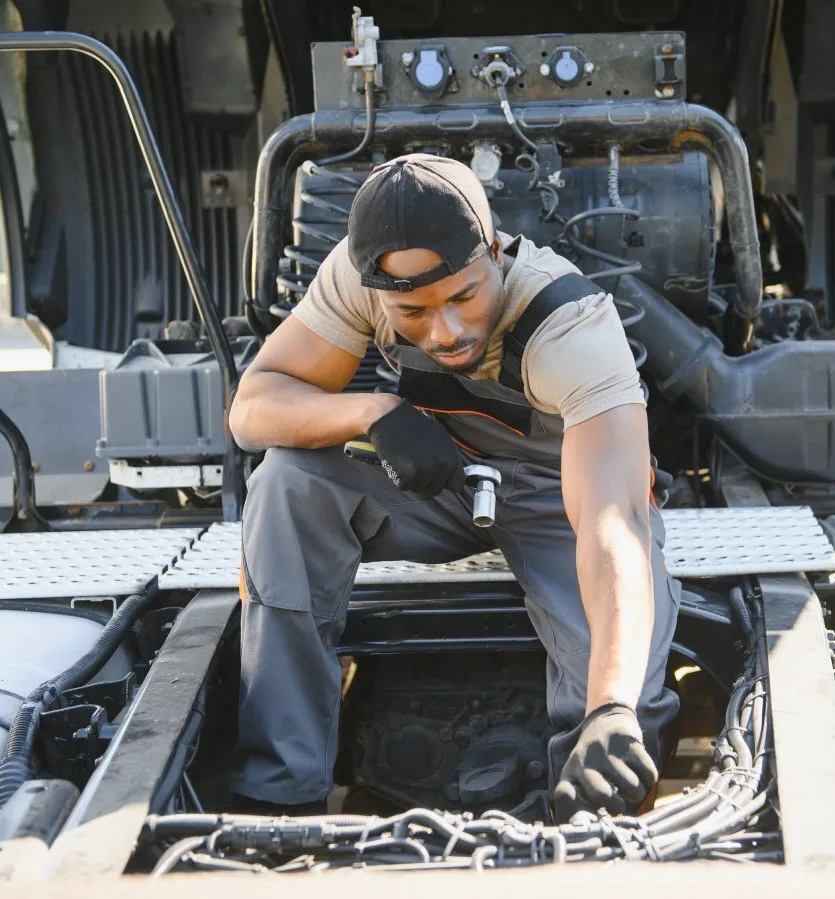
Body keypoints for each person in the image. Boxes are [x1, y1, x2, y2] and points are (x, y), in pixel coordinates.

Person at [227, 153, 681, 821]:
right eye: (412, 310)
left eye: (465, 296)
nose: (448, 331)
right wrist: (372, 413)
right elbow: (252, 406)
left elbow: (614, 522)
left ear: (495, 252)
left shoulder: (570, 325)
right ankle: (278, 800)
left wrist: (610, 702)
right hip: (436, 484)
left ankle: (587, 830)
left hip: (560, 500)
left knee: (620, 708)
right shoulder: (356, 284)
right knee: (286, 481)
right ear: (376, 289)